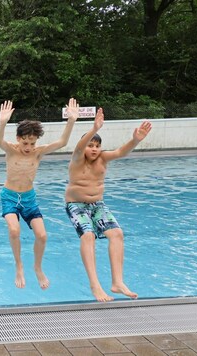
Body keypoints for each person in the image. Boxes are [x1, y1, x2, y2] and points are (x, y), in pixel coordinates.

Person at [65, 108, 151, 302]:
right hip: (76, 205)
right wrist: (94, 127)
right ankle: (95, 286)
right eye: (90, 145)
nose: (93, 149)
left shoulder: (103, 158)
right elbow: (79, 148)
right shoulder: (78, 159)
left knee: (117, 234)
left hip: (97, 205)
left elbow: (121, 151)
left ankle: (117, 282)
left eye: (97, 145)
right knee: (88, 235)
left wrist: (136, 140)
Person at [0, 98, 79, 290]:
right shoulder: (11, 150)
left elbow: (62, 142)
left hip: (29, 198)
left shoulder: (38, 152)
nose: (28, 148)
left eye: (32, 143)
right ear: (18, 139)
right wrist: (2, 123)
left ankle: (38, 267)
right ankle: (19, 266)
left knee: (42, 236)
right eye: (25, 143)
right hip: (9, 196)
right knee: (14, 230)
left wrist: (71, 120)